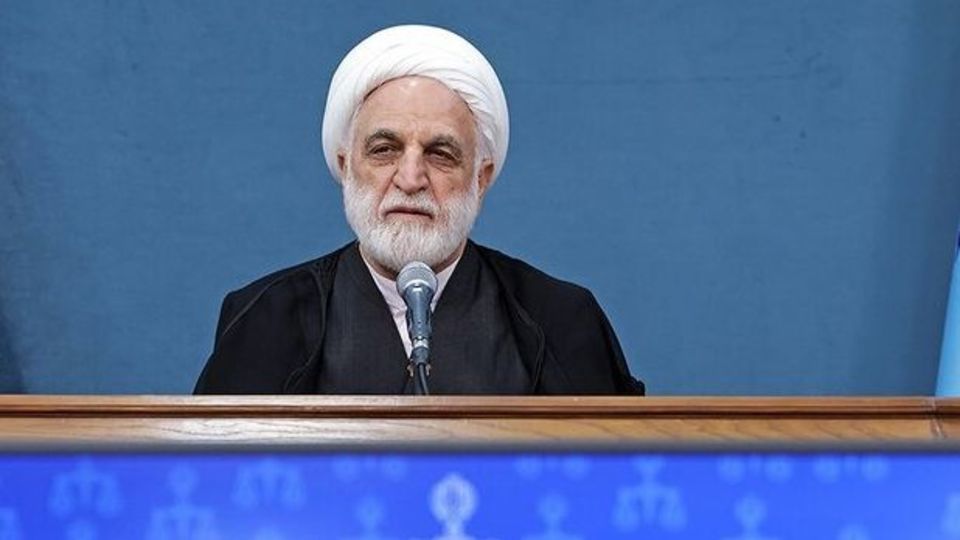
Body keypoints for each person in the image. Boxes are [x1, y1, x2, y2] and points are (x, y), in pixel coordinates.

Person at [194, 25, 644, 395]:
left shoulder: (561, 319)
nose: (410, 179)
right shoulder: (267, 317)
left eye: (440, 154)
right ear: (345, 166)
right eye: (384, 150)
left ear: (481, 178)